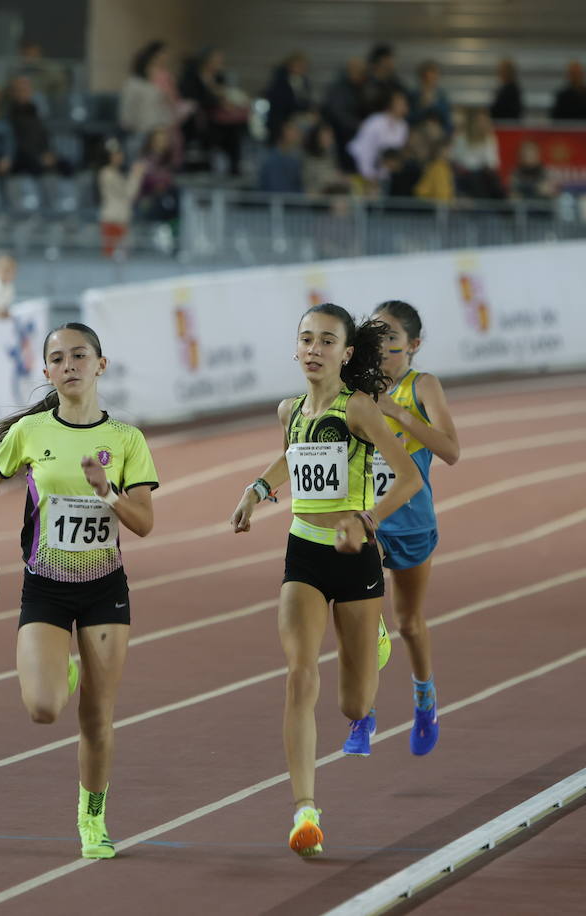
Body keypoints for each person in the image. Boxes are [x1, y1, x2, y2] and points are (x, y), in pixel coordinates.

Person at [229, 303, 422, 858]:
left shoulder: (358, 407)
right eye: (306, 339)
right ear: (295, 348)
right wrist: (255, 492)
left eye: (327, 341)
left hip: (355, 558)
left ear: (346, 353)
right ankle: (305, 811)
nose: (314, 349)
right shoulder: (289, 410)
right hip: (305, 554)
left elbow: (408, 477)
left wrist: (368, 520)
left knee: (355, 706)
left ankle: (377, 640)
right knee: (299, 674)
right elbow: (291, 460)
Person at [0, 321, 159, 860]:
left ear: (101, 365)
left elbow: (145, 523)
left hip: (104, 590)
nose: (69, 365)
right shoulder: (30, 433)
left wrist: (109, 492)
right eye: (58, 358)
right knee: (44, 708)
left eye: (80, 356)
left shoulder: (126, 440)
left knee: (96, 717)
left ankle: (92, 818)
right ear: (46, 371)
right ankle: (63, 670)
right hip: (46, 588)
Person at [369, 300, 459, 755]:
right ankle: (362, 707)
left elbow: (451, 450)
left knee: (408, 621)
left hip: (412, 521)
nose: (381, 345)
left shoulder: (422, 386)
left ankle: (425, 698)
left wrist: (398, 413)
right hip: (368, 519)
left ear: (413, 345)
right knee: (358, 603)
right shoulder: (357, 387)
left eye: (391, 337)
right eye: (375, 335)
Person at [97, 141, 146, 259]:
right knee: (111, 257)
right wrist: (136, 175)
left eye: (120, 154)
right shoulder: (107, 174)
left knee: (123, 257)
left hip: (121, 219)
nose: (120, 157)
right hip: (113, 219)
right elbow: (129, 194)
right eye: (115, 155)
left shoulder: (116, 173)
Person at [348, 90, 410, 181]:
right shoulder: (375, 121)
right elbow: (364, 149)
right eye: (400, 104)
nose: (403, 107)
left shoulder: (403, 126)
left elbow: (393, 154)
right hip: (356, 162)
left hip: (381, 170)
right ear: (391, 104)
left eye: (404, 104)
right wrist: (368, 174)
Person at [258, 121, 304, 194]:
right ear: (283, 132)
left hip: (293, 199)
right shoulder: (270, 159)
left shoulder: (296, 159)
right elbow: (274, 188)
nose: (297, 135)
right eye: (293, 131)